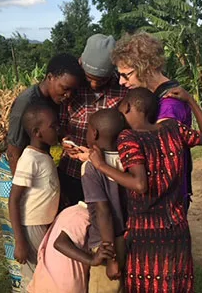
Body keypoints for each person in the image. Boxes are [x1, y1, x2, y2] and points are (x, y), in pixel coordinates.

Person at [89, 88, 202, 293]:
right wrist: (190, 100)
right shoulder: (173, 127)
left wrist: (101, 165)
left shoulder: (128, 137)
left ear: (128, 106)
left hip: (146, 236)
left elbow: (139, 185)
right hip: (177, 228)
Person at [0, 53, 84, 292]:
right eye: (65, 89)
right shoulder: (27, 102)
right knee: (20, 249)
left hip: (35, 169)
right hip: (17, 171)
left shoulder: (53, 101)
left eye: (72, 92)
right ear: (50, 77)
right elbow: (14, 151)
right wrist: (26, 193)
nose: (68, 96)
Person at [112, 32, 193, 212]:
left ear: (145, 68)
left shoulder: (170, 105)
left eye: (127, 75)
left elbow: (154, 153)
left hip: (164, 201)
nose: (121, 81)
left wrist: (104, 162)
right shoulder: (156, 97)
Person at [58, 34, 127, 209]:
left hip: (109, 176)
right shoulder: (71, 87)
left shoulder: (124, 89)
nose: (94, 84)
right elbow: (60, 122)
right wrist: (64, 140)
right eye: (89, 78)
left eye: (101, 80)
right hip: (73, 173)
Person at [9, 104, 60, 291]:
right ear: (37, 132)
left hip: (43, 223)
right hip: (31, 226)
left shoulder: (44, 154)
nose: (58, 129)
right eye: (53, 126)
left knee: (44, 271)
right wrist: (20, 241)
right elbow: (13, 199)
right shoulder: (29, 158)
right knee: (34, 276)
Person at [82, 109, 127, 293]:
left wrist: (111, 259)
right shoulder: (128, 159)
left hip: (105, 245)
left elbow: (103, 211)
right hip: (126, 238)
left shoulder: (91, 168)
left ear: (94, 133)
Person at [27, 202, 115, 293]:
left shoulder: (70, 212)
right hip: (62, 286)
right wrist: (92, 259)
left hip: (47, 282)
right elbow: (60, 243)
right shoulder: (81, 215)